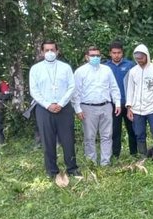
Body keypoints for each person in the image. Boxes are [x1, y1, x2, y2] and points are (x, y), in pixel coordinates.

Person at [29, 40, 81, 181]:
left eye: (52, 50)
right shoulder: (36, 69)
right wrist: (48, 105)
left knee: (68, 139)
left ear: (57, 51)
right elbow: (34, 90)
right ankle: (52, 170)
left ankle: (72, 168)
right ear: (42, 52)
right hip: (44, 109)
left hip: (63, 108)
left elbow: (71, 86)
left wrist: (61, 103)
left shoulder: (65, 67)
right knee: (48, 140)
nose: (50, 53)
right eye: (47, 50)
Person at [73, 45, 122, 167]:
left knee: (107, 135)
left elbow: (114, 87)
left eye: (97, 55)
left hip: (106, 106)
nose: (95, 57)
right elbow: (75, 92)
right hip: (87, 107)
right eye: (92, 55)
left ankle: (106, 162)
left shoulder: (106, 70)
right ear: (86, 57)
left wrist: (117, 103)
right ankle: (91, 162)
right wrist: (78, 109)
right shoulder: (80, 72)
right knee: (89, 136)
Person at [125, 44, 153, 162]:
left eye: (141, 57)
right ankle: (143, 158)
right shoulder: (133, 72)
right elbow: (130, 90)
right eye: (137, 58)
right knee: (139, 134)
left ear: (147, 56)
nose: (139, 60)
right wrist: (129, 108)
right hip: (137, 109)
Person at [105, 41, 137, 158]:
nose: (116, 55)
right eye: (114, 53)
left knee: (132, 130)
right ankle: (115, 155)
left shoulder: (130, 65)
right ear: (110, 53)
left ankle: (134, 154)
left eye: (119, 52)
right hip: (113, 105)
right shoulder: (105, 67)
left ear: (122, 53)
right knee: (115, 131)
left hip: (129, 104)